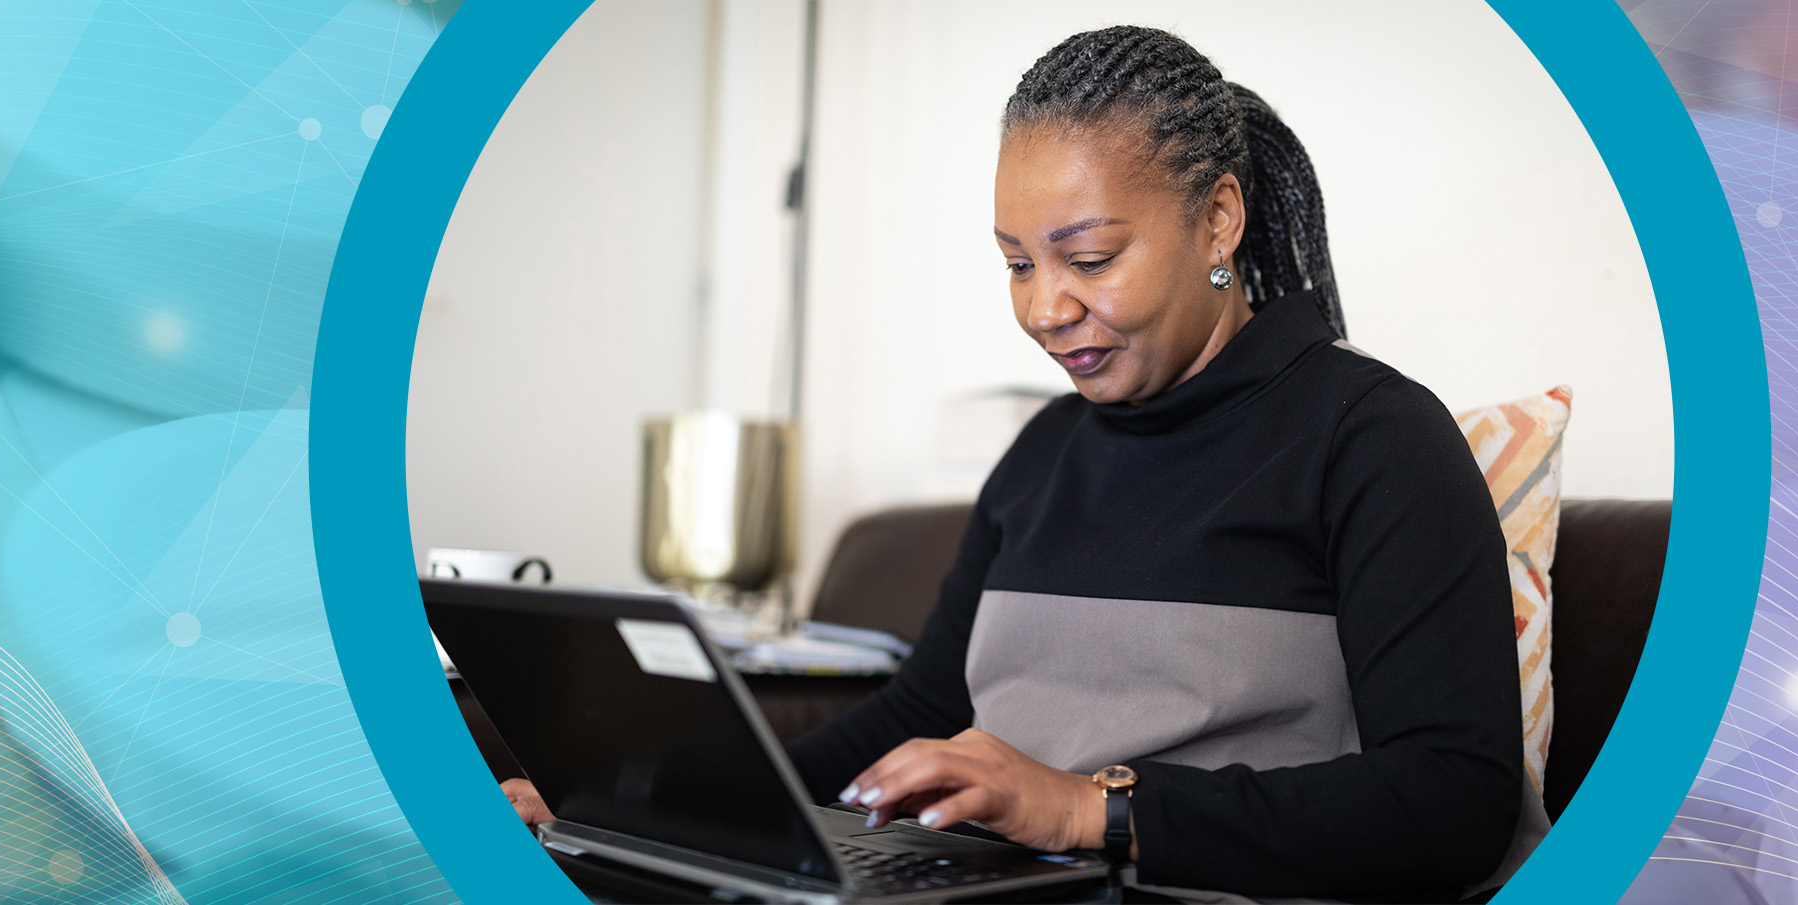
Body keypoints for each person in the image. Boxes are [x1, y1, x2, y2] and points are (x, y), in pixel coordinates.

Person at [506, 25, 1523, 901]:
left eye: (1088, 259)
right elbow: (924, 706)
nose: (1045, 308)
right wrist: (666, 796)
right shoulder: (1047, 448)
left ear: (1217, 218)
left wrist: (1094, 808)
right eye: (1017, 262)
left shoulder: (1374, 438)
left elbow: (1453, 798)